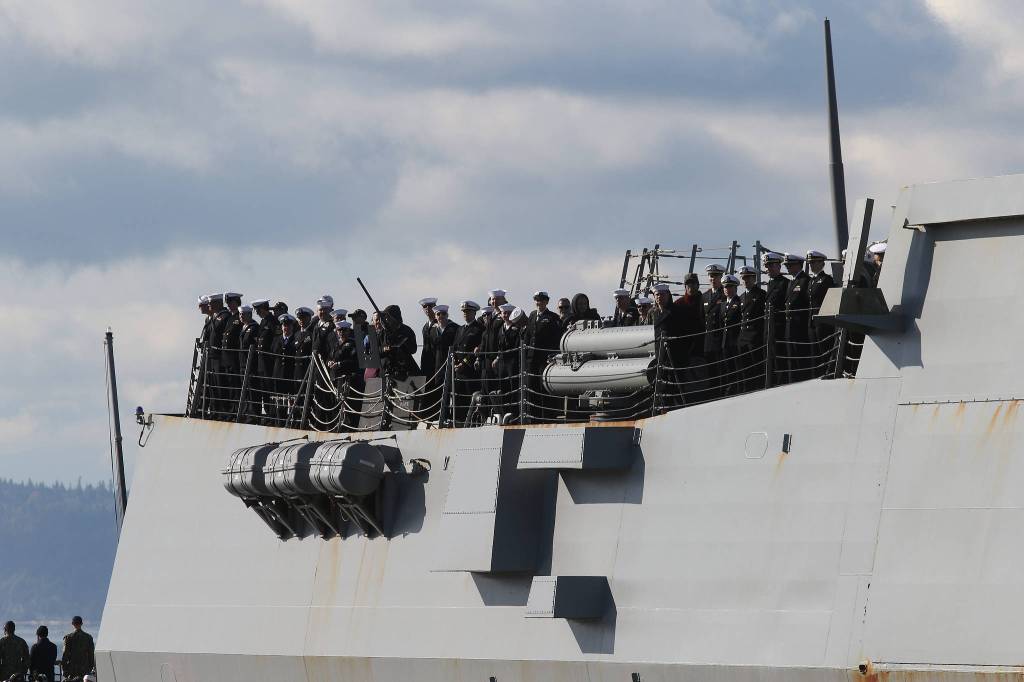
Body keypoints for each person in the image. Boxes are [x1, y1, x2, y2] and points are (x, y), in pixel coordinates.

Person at [525, 291, 562, 420]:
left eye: (541, 300)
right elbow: (528, 336)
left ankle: (545, 417)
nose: (538, 302)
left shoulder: (552, 317)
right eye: (536, 300)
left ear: (546, 301)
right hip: (531, 359)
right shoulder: (532, 315)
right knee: (531, 387)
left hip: (544, 359)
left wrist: (552, 356)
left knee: (543, 388)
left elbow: (556, 339)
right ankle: (533, 417)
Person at [452, 301, 485, 424]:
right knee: (458, 400)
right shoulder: (460, 329)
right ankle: (459, 422)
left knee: (469, 399)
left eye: (468, 312)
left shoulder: (479, 329)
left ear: (474, 312)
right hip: (458, 372)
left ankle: (470, 423)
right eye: (464, 312)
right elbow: (455, 347)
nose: (466, 314)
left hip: (470, 372)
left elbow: (477, 349)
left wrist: (464, 363)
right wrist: (455, 362)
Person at [328, 321, 364, 430]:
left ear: (348, 331)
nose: (341, 333)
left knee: (349, 407)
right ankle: (338, 427)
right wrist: (329, 362)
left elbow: (354, 361)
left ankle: (349, 428)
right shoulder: (336, 345)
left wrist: (339, 364)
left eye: (344, 330)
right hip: (336, 380)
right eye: (339, 330)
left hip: (348, 381)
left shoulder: (353, 344)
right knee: (336, 406)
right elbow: (330, 357)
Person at [806, 250, 836, 377]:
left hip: (823, 321)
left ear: (821, 263)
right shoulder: (811, 281)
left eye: (813, 262)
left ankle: (827, 373)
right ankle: (817, 374)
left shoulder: (826, 279)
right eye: (810, 263)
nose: (811, 265)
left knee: (825, 349)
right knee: (815, 351)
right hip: (812, 321)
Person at [737, 265, 767, 392]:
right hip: (743, 337)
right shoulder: (741, 297)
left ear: (754, 278)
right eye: (743, 278)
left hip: (755, 336)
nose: (745, 281)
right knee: (745, 368)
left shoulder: (761, 294)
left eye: (748, 278)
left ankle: (758, 389)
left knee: (757, 367)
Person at [783, 253, 811, 383]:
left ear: (799, 265)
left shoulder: (805, 281)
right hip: (790, 326)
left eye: (790, 265)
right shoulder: (791, 282)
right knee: (791, 358)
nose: (788, 268)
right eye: (787, 265)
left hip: (800, 326)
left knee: (800, 357)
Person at [701, 264, 726, 399]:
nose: (713, 278)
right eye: (711, 276)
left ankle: (721, 394)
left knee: (721, 371)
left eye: (716, 276)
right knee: (710, 372)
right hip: (708, 340)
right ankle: (713, 395)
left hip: (720, 338)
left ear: (721, 277)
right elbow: (700, 319)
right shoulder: (704, 297)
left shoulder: (724, 295)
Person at [762, 252, 788, 383]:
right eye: (766, 266)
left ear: (778, 266)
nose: (768, 269)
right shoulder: (770, 284)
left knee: (780, 360)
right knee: (770, 360)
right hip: (769, 330)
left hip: (779, 329)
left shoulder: (785, 283)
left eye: (771, 265)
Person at [271, 313, 299, 422]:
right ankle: (280, 420)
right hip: (278, 374)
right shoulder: (277, 339)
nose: (286, 328)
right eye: (284, 326)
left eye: (288, 326)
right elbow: (273, 353)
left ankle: (292, 419)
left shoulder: (295, 339)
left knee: (291, 399)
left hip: (290, 374)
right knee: (279, 399)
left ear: (292, 327)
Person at [718, 274, 743, 395]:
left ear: (735, 288)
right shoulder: (723, 305)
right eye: (725, 287)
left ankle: (737, 389)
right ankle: (730, 389)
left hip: (735, 340)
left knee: (737, 368)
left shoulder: (738, 302)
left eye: (730, 287)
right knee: (727, 368)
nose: (727, 289)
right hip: (725, 341)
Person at [60, 617, 94, 681]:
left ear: (72, 623)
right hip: (84, 670)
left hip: (71, 670)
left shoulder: (68, 638)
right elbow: (91, 655)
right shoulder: (88, 638)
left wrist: (65, 670)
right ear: (82, 624)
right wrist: (89, 669)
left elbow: (65, 655)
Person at [418, 297, 438, 383]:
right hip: (426, 364)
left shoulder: (441, 324)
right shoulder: (425, 327)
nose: (427, 308)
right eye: (424, 306)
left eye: (429, 306)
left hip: (437, 363)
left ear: (435, 307)